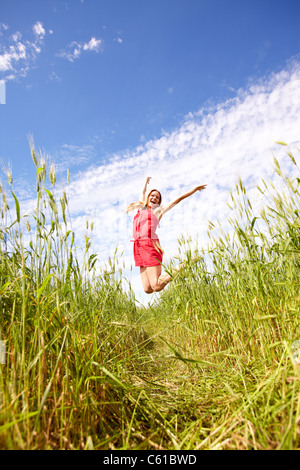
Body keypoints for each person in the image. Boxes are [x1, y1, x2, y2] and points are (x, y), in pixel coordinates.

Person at [126, 177, 207, 294]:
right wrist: (145, 182)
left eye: (157, 197)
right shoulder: (141, 208)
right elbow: (142, 192)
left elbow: (178, 199)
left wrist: (194, 189)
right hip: (138, 248)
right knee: (147, 289)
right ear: (148, 197)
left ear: (159, 202)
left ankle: (187, 262)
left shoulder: (159, 210)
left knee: (157, 285)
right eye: (152, 195)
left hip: (150, 245)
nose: (154, 198)